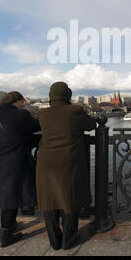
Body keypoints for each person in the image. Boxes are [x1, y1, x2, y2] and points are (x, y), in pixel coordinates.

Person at [36, 82, 96, 250]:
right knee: (69, 198)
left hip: (46, 163)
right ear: (68, 96)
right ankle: (69, 240)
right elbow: (91, 125)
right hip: (68, 162)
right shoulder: (74, 111)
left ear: (50, 96)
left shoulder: (42, 114)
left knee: (49, 201)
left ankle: (54, 241)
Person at [0, 91, 41, 247]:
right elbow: (36, 126)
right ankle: (5, 236)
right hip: (13, 162)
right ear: (15, 101)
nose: (23, 105)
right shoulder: (21, 115)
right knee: (12, 197)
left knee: (6, 194)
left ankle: (11, 225)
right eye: (22, 102)